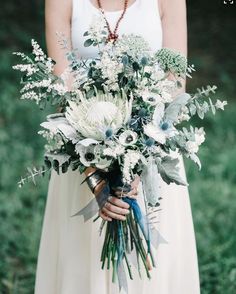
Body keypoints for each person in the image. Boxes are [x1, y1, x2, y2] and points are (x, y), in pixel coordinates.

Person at [35, 0, 201, 293]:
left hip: (152, 155)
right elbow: (63, 91)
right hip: (82, 157)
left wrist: (137, 160)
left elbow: (175, 86)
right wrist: (97, 178)